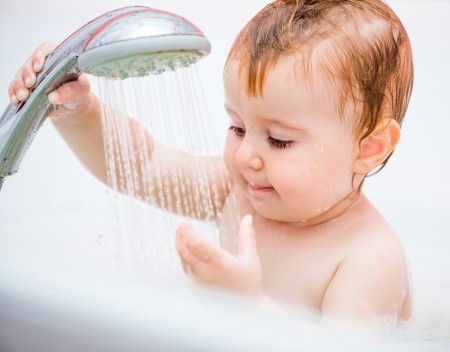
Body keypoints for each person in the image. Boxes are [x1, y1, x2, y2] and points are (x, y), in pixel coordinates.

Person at [8, 0, 413, 332]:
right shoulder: (237, 192)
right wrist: (79, 111)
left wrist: (250, 306)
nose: (244, 156)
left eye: (278, 140)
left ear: (369, 147)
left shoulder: (369, 259)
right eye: (237, 127)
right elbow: (141, 166)